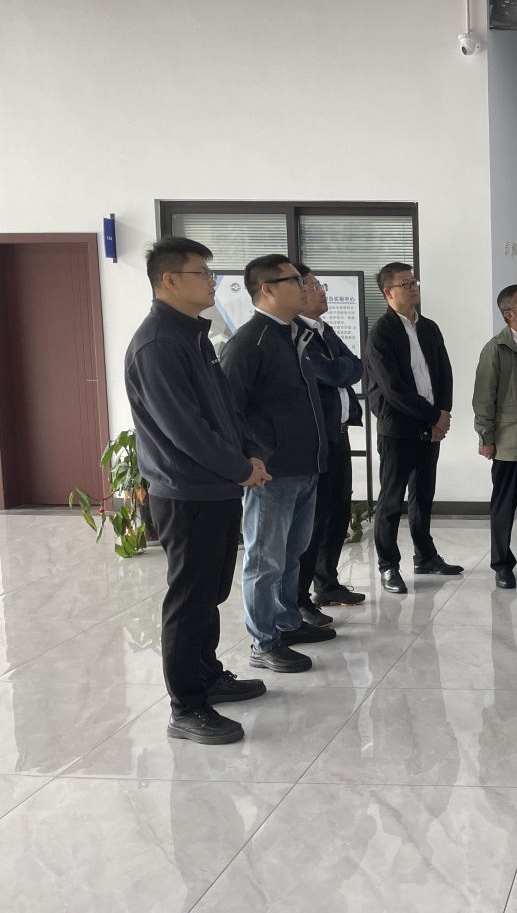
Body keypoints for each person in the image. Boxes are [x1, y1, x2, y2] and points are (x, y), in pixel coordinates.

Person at [125, 237, 270, 745]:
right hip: (186, 492)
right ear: (169, 280)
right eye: (202, 274)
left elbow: (226, 408)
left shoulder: (194, 336)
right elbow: (184, 429)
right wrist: (239, 468)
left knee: (210, 592)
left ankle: (207, 676)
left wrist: (249, 454)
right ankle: (186, 706)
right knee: (189, 599)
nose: (212, 282)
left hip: (217, 486)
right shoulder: (158, 344)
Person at [220, 254, 334, 675]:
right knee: (264, 561)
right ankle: (263, 642)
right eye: (294, 280)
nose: (305, 287)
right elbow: (229, 409)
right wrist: (249, 460)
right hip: (271, 472)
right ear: (267, 288)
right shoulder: (250, 342)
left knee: (292, 554)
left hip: (305, 465)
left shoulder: (293, 334)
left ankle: (286, 623)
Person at [364, 262, 461, 594]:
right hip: (398, 428)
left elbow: (444, 372)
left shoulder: (429, 327)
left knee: (423, 495)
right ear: (388, 293)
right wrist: (433, 416)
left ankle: (425, 556)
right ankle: (388, 566)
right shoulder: (381, 333)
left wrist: (443, 412)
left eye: (414, 281)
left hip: (430, 425)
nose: (413, 287)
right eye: (405, 284)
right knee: (391, 500)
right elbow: (392, 388)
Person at [295, 264, 366, 615]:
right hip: (317, 439)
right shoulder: (297, 334)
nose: (321, 291)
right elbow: (332, 372)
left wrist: (342, 367)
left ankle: (328, 584)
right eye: (313, 286)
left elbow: (355, 365)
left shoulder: (324, 330)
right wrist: (342, 367)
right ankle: (300, 598)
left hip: (339, 435)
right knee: (315, 519)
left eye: (321, 285)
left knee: (338, 512)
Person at [472, 284, 517, 589]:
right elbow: (483, 397)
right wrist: (485, 436)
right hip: (509, 437)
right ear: (508, 314)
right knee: (505, 504)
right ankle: (502, 564)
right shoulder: (496, 348)